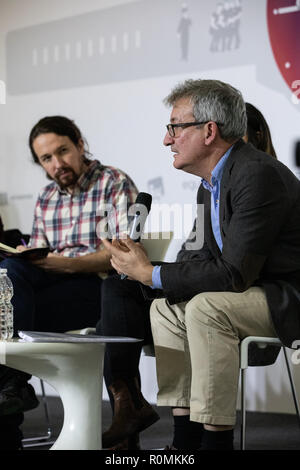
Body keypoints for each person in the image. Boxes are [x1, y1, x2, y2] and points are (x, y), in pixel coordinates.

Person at [102, 79, 300, 450]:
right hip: (250, 292)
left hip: (284, 296)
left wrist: (149, 272)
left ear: (209, 131)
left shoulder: (256, 174)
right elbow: (199, 260)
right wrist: (143, 267)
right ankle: (184, 440)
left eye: (175, 127)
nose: (167, 140)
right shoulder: (210, 182)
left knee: (207, 307)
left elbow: (233, 274)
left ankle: (215, 443)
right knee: (165, 307)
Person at [0, 115, 138, 449]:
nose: (57, 163)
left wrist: (65, 263)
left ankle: (10, 411)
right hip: (49, 288)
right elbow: (40, 252)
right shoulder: (47, 197)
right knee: (9, 272)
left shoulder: (113, 182)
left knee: (7, 307)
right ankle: (11, 393)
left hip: (99, 290)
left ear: (79, 143)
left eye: (62, 151)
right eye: (47, 159)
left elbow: (121, 254)